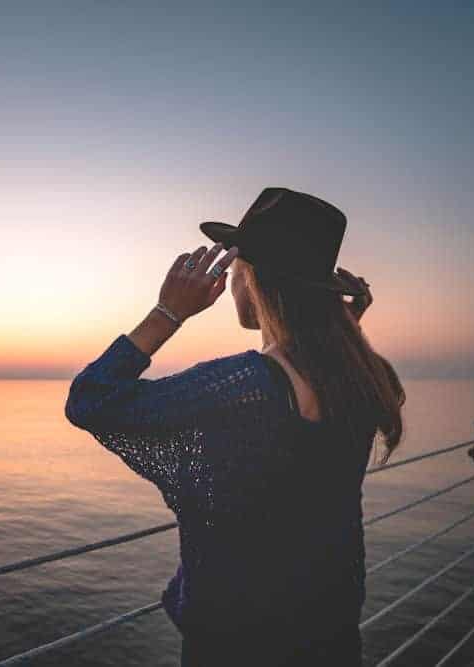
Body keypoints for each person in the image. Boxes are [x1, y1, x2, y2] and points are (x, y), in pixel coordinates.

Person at [64, 187, 406, 665]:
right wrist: (342, 319)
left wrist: (169, 312)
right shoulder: (364, 377)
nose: (234, 286)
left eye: (238, 271)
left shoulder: (249, 385)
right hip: (330, 629)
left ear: (256, 280)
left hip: (239, 642)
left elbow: (91, 400)